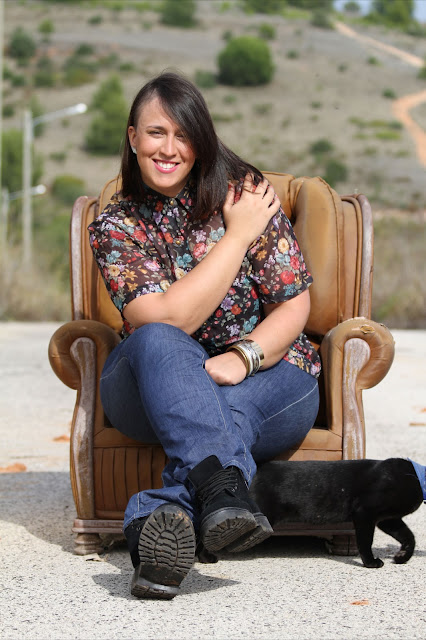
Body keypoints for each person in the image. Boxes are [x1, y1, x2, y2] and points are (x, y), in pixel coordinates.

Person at [88, 71, 321, 600]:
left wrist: (246, 355)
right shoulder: (116, 226)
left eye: (184, 135)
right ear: (132, 138)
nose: (169, 149)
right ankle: (219, 493)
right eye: (156, 133)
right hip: (155, 384)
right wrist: (237, 237)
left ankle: (160, 522)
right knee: (155, 337)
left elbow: (293, 303)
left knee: (227, 410)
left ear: (202, 141)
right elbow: (167, 320)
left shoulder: (246, 195)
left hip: (270, 375)